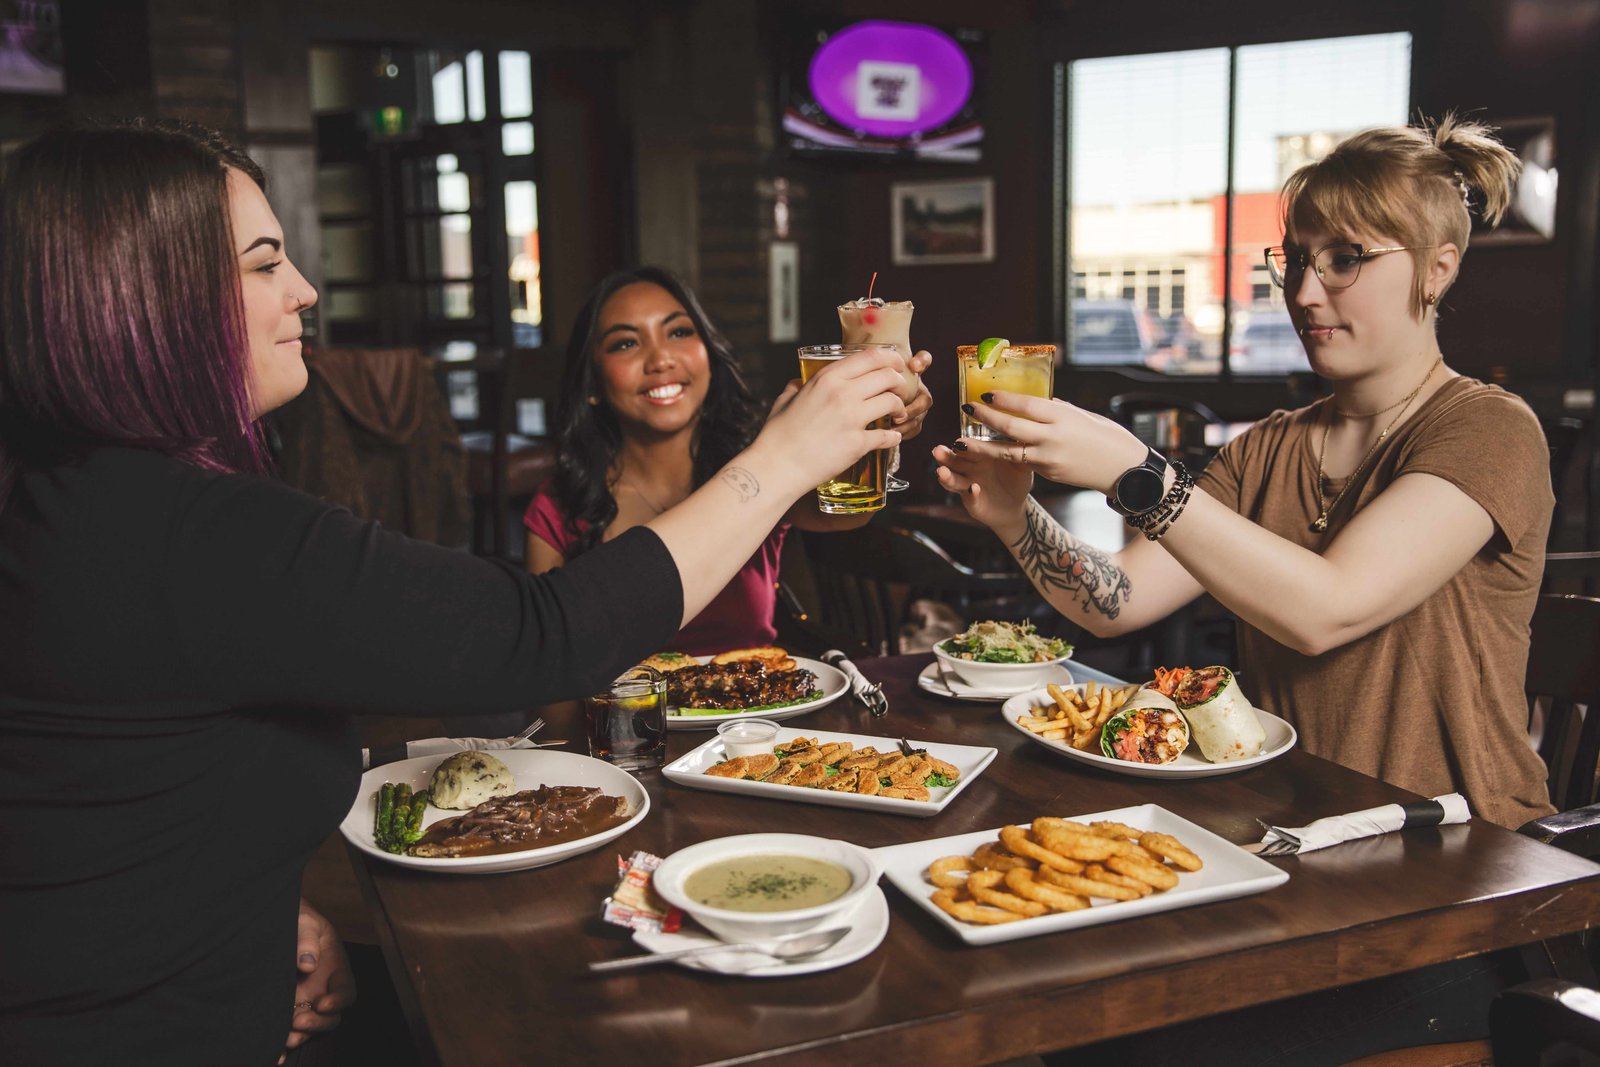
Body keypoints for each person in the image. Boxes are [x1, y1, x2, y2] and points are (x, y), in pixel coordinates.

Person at [0, 120, 908, 1067]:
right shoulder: (187, 531)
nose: (304, 289)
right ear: (151, 301)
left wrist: (262, 908)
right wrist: (785, 456)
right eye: (265, 263)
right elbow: (544, 633)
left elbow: (116, 801)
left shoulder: (69, 503)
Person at [935, 115, 1553, 833]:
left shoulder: (1489, 429)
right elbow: (1119, 601)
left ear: (1437, 268)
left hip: (1461, 844)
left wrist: (1136, 472)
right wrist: (1015, 516)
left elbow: (1327, 610)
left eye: (1345, 259)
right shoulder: (1266, 448)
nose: (1305, 292)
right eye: (1297, 260)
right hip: (1289, 825)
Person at [525, 266, 932, 654]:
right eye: (626, 343)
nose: (660, 360)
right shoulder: (560, 505)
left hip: (754, 702)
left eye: (679, 332)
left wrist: (884, 425)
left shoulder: (762, 464)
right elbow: (547, 662)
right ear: (593, 383)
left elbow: (848, 513)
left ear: (710, 354)